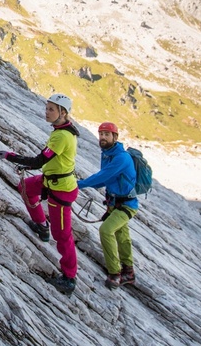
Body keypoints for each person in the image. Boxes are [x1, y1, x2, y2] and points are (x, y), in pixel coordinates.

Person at [0, 93, 80, 295]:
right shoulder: (62, 130)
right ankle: (41, 226)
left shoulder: (62, 136)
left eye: (51, 109)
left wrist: (10, 156)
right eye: (47, 108)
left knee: (62, 234)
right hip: (51, 180)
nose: (47, 112)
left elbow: (39, 161)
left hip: (60, 189)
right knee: (25, 188)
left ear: (63, 112)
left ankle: (69, 278)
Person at [77, 121, 138, 288]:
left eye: (106, 134)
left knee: (106, 230)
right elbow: (107, 179)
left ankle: (115, 273)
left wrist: (79, 184)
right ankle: (129, 272)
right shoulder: (107, 154)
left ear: (115, 137)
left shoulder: (121, 158)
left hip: (127, 205)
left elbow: (104, 176)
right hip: (116, 203)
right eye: (101, 134)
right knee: (122, 235)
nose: (102, 137)